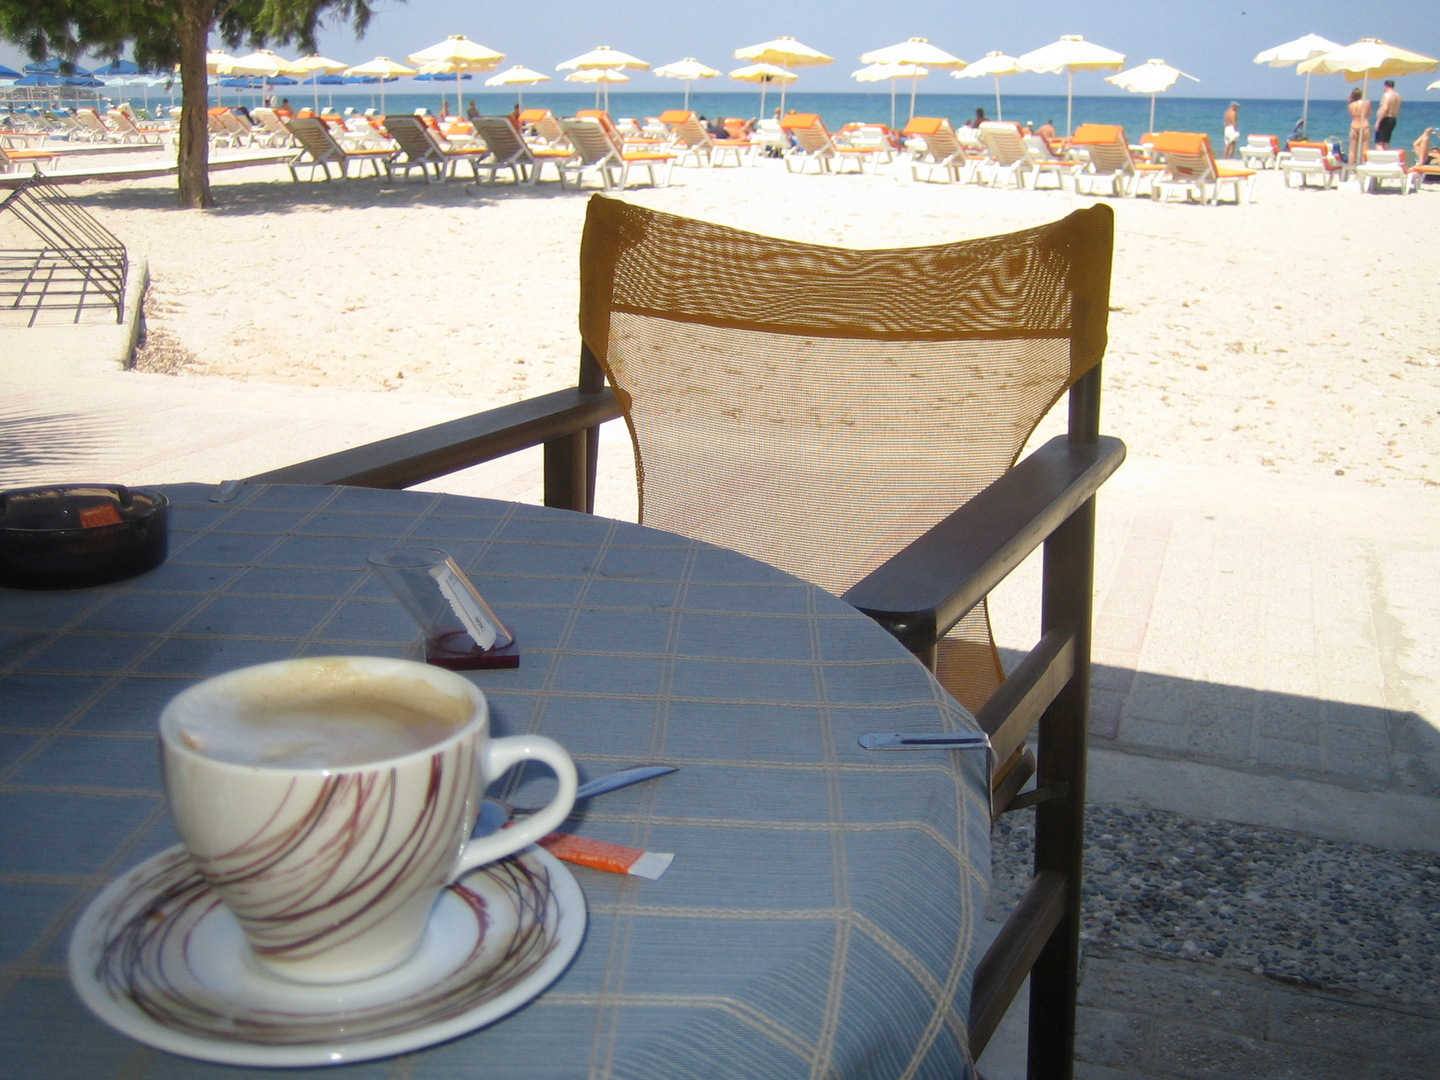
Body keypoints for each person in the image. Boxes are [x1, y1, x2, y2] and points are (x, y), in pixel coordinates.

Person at [1347, 86, 1371, 168]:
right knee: (1365, 150)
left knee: (1352, 150)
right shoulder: (1367, 102)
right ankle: (1365, 167)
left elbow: (1351, 116)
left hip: (1354, 126)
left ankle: (1351, 169)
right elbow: (1369, 113)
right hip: (1365, 125)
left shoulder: (1350, 105)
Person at [1375, 79, 1401, 149]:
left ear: (1386, 86)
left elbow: (1385, 108)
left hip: (1386, 119)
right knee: (1386, 142)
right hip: (1393, 119)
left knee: (1379, 142)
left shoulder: (1387, 95)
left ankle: (1380, 159)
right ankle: (1386, 158)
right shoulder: (1398, 96)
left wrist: (1378, 121)